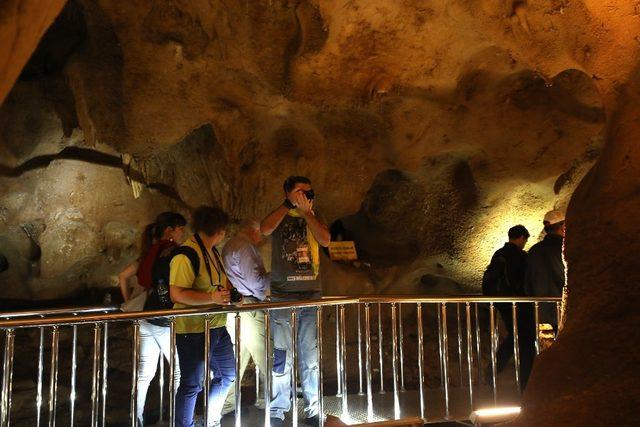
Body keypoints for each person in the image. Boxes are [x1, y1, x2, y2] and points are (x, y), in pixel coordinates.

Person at [261, 176, 330, 426]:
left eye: (310, 193)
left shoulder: (315, 215)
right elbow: (265, 229)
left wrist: (307, 212)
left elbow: (325, 240)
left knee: (310, 357)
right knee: (282, 356)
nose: (307, 197)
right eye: (301, 192)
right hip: (282, 296)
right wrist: (288, 206)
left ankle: (313, 409)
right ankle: (278, 410)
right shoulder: (281, 214)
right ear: (289, 193)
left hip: (310, 296)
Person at [118, 211, 186, 425]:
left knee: (144, 373)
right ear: (170, 230)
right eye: (181, 229)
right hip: (164, 320)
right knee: (178, 372)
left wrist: (130, 301)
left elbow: (129, 277)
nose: (183, 233)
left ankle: (136, 418)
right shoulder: (172, 252)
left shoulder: (149, 252)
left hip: (146, 316)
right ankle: (175, 418)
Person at [169, 206, 235, 427]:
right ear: (220, 230)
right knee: (191, 383)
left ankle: (210, 419)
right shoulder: (186, 254)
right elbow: (177, 293)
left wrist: (230, 295)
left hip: (216, 325)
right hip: (193, 330)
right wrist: (212, 298)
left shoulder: (212, 251)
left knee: (227, 374)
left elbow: (218, 285)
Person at [221, 218, 271, 415]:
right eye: (261, 234)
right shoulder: (246, 247)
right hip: (249, 306)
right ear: (254, 231)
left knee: (237, 358)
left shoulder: (229, 245)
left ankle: (227, 404)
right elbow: (256, 282)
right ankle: (271, 402)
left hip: (235, 306)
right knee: (265, 356)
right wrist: (276, 279)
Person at [482, 224, 535, 389]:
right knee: (525, 339)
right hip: (520, 303)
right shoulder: (520, 256)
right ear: (521, 238)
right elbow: (524, 281)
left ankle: (495, 367)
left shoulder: (499, 253)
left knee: (516, 335)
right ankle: (525, 382)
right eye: (525, 240)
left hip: (503, 304)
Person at [524, 210, 566, 332]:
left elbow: (527, 284)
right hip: (565, 310)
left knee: (547, 347)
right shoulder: (566, 248)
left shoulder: (534, 251)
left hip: (541, 311)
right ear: (563, 227)